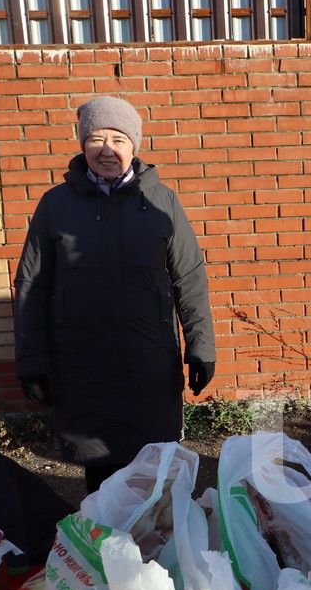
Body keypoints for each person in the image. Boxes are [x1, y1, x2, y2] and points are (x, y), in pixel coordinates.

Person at [14, 96, 216, 494]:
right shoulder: (56, 205)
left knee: (155, 471)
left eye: (118, 138)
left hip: (148, 359)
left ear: (134, 145)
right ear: (82, 145)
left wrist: (201, 348)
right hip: (82, 362)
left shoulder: (162, 202)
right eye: (96, 138)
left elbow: (189, 278)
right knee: (100, 474)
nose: (107, 149)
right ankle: (105, 550)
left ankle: (160, 547)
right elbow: (32, 285)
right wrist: (32, 361)